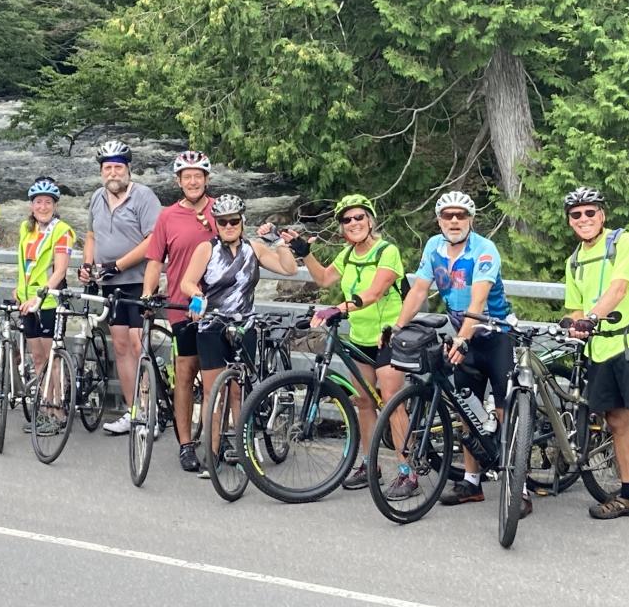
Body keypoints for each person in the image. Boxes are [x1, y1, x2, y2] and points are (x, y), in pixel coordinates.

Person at [395, 190, 517, 509]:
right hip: (465, 337)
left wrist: (462, 338)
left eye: (460, 216)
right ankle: (472, 483)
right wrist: (397, 328)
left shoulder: (484, 249)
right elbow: (419, 290)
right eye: (447, 215)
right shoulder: (434, 247)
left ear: (470, 220)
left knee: (505, 411)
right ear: (439, 220)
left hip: (495, 334)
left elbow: (478, 301)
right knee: (468, 409)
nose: (454, 220)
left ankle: (518, 487)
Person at [563, 186, 629, 533]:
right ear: (570, 221)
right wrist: (577, 323)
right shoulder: (574, 261)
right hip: (600, 349)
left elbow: (619, 289)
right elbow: (574, 304)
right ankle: (628, 495)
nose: (584, 219)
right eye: (576, 214)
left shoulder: (625, 243)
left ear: (602, 215)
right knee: (616, 423)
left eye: (590, 212)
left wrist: (590, 319)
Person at [178, 194, 299, 474]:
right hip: (212, 325)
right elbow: (187, 281)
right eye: (223, 222)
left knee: (238, 391)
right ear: (216, 224)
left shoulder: (253, 249)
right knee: (213, 392)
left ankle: (243, 451)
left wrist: (278, 242)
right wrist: (196, 297)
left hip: (244, 325)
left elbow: (289, 269)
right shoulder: (205, 249)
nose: (229, 226)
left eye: (234, 221)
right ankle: (212, 452)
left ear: (242, 222)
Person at [301, 193, 411, 493]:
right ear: (341, 228)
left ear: (370, 220)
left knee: (391, 398)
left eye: (359, 217)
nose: (353, 223)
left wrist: (339, 309)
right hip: (360, 337)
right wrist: (304, 254)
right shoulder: (347, 255)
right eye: (347, 220)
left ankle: (407, 470)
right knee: (363, 401)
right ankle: (369, 464)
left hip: (389, 335)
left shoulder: (387, 251)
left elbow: (375, 293)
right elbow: (324, 279)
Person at [79, 139, 162, 437]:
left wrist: (119, 264)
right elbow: (91, 235)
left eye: (118, 167)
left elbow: (154, 240)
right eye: (107, 168)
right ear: (101, 172)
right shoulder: (97, 198)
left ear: (128, 169)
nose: (113, 173)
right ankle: (133, 411)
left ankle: (150, 413)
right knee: (121, 347)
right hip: (109, 284)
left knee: (140, 346)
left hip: (139, 281)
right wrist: (88, 265)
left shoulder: (144, 196)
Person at [141, 150, 217, 473]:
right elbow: (155, 259)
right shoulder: (168, 217)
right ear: (178, 181)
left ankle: (218, 441)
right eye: (187, 176)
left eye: (198, 175)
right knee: (184, 373)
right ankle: (186, 444)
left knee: (217, 379)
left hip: (219, 307)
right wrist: (147, 293)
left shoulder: (221, 210)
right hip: (182, 307)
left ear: (206, 179)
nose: (193, 180)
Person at [16, 177, 76, 434]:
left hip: (49, 301)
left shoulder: (62, 230)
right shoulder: (24, 229)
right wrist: (21, 295)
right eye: (38, 202)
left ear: (54, 205)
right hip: (26, 301)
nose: (42, 206)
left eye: (47, 202)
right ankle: (43, 410)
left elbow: (60, 269)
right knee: (38, 357)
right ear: (31, 206)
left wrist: (41, 296)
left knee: (54, 359)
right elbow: (23, 266)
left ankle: (58, 410)